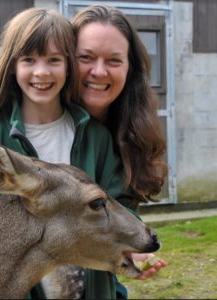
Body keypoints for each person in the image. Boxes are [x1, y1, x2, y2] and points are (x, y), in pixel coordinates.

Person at [0, 7, 137, 300]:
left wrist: (133, 244)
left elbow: (117, 203)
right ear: (12, 66)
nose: (41, 72)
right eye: (29, 60)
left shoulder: (93, 137)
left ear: (69, 66)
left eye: (54, 60)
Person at [71, 5, 168, 283]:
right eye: (86, 57)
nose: (99, 72)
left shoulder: (133, 134)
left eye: (114, 60)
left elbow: (120, 211)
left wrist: (130, 247)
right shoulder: (42, 125)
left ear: (130, 69)